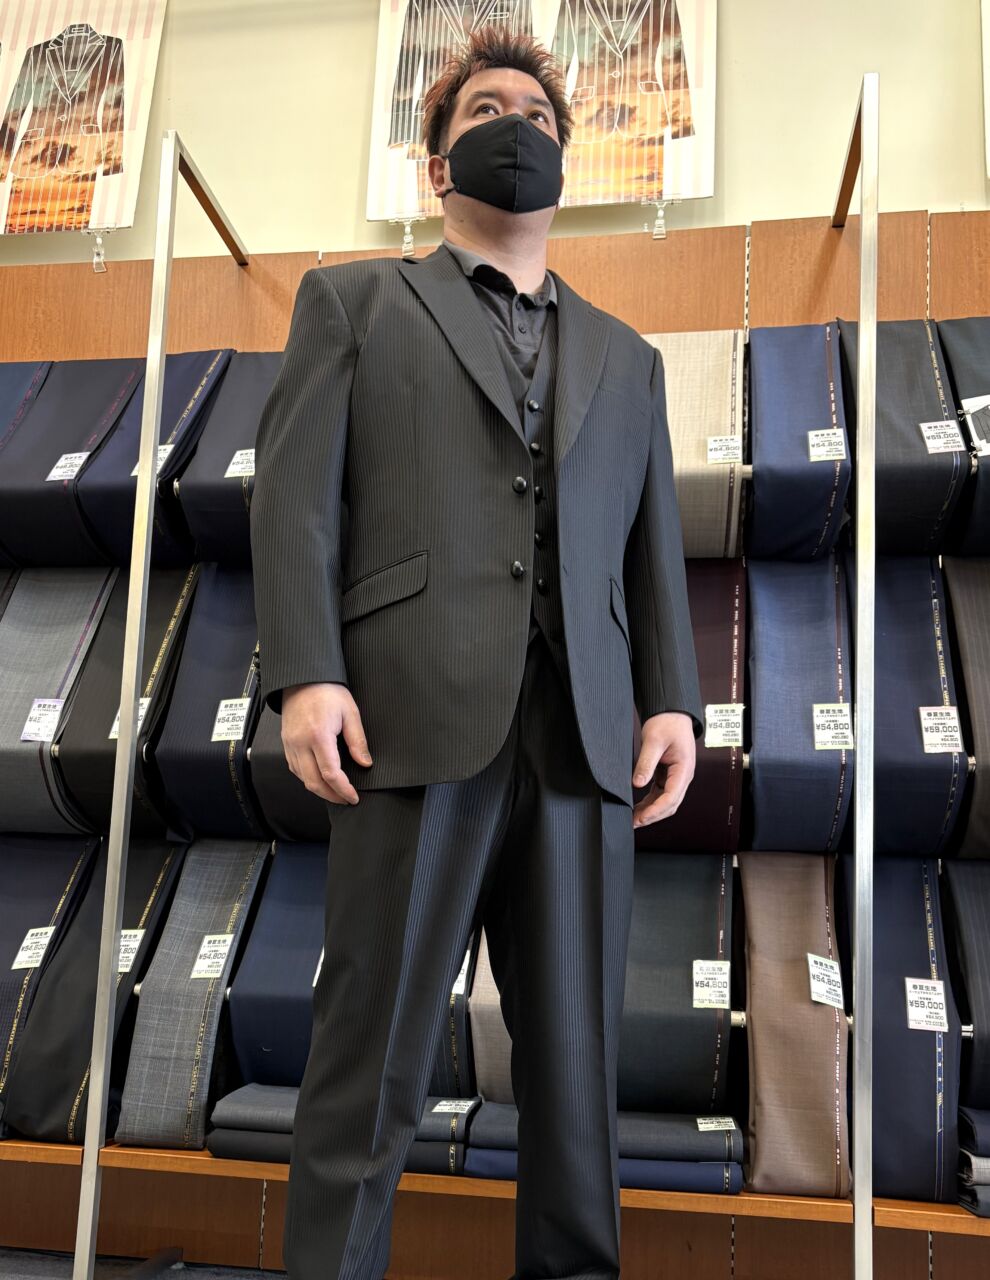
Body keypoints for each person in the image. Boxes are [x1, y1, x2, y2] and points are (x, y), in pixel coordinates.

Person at [250, 26, 702, 1280]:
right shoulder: (353, 303)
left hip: (585, 741)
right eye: (488, 109)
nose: (520, 126)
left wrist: (673, 698)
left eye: (541, 115)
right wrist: (307, 670)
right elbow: (294, 499)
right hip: (410, 723)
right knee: (371, 1059)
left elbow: (651, 546)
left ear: (565, 159)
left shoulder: (631, 358)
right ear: (436, 164)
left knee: (576, 1074)